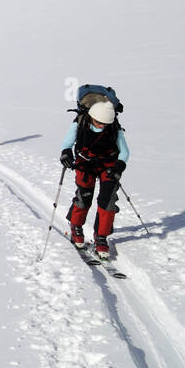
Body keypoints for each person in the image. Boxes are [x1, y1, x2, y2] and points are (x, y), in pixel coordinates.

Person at [61, 100, 129, 256]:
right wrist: (66, 152)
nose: (101, 125)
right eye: (99, 122)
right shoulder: (81, 122)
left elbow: (124, 152)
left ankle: (101, 236)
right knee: (85, 195)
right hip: (85, 162)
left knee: (108, 199)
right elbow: (67, 142)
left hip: (108, 164)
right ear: (92, 117)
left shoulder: (113, 128)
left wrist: (119, 166)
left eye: (105, 123)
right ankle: (76, 225)